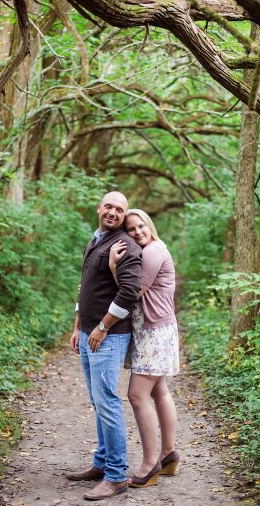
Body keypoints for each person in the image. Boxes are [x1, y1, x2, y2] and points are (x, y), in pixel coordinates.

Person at [65, 191, 142, 501]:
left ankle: (116, 475)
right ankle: (101, 464)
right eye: (109, 206)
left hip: (108, 336)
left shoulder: (125, 247)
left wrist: (101, 327)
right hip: (87, 332)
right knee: (98, 402)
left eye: (119, 209)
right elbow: (86, 285)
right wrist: (78, 326)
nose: (113, 212)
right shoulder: (97, 239)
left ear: (124, 215)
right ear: (99, 207)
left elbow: (129, 293)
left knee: (107, 402)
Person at [108, 209, 180, 489]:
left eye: (141, 226)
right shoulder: (150, 248)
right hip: (155, 329)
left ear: (150, 225)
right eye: (132, 229)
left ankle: (151, 464)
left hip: (155, 332)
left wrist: (114, 268)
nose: (138, 232)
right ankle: (168, 453)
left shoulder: (152, 252)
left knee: (137, 395)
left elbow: (131, 291)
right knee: (159, 390)